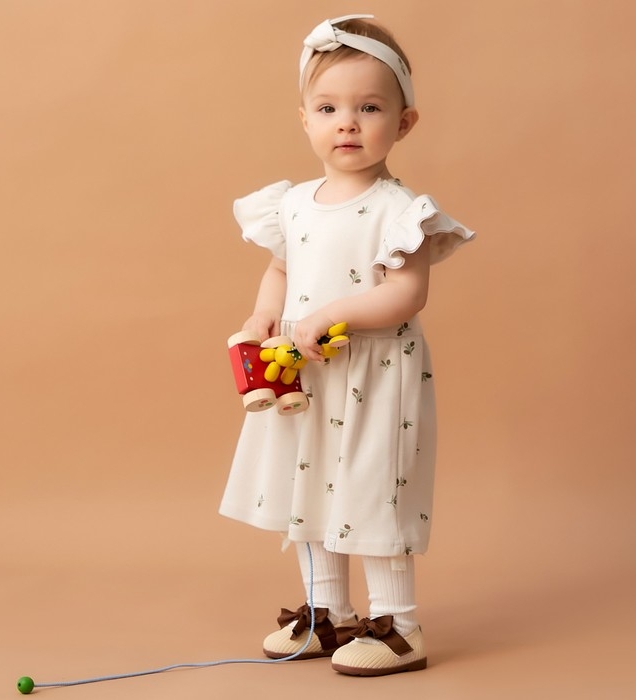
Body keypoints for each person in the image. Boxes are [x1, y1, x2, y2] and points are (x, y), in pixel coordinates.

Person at [220, 14, 474, 676]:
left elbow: (405, 294)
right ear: (305, 119)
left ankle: (398, 624)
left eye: (369, 108)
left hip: (374, 374)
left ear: (404, 122)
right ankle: (324, 612)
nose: (348, 124)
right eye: (329, 108)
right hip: (307, 376)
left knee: (372, 485)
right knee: (309, 483)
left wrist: (335, 313)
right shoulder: (294, 204)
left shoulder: (399, 210)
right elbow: (281, 270)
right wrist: (263, 316)